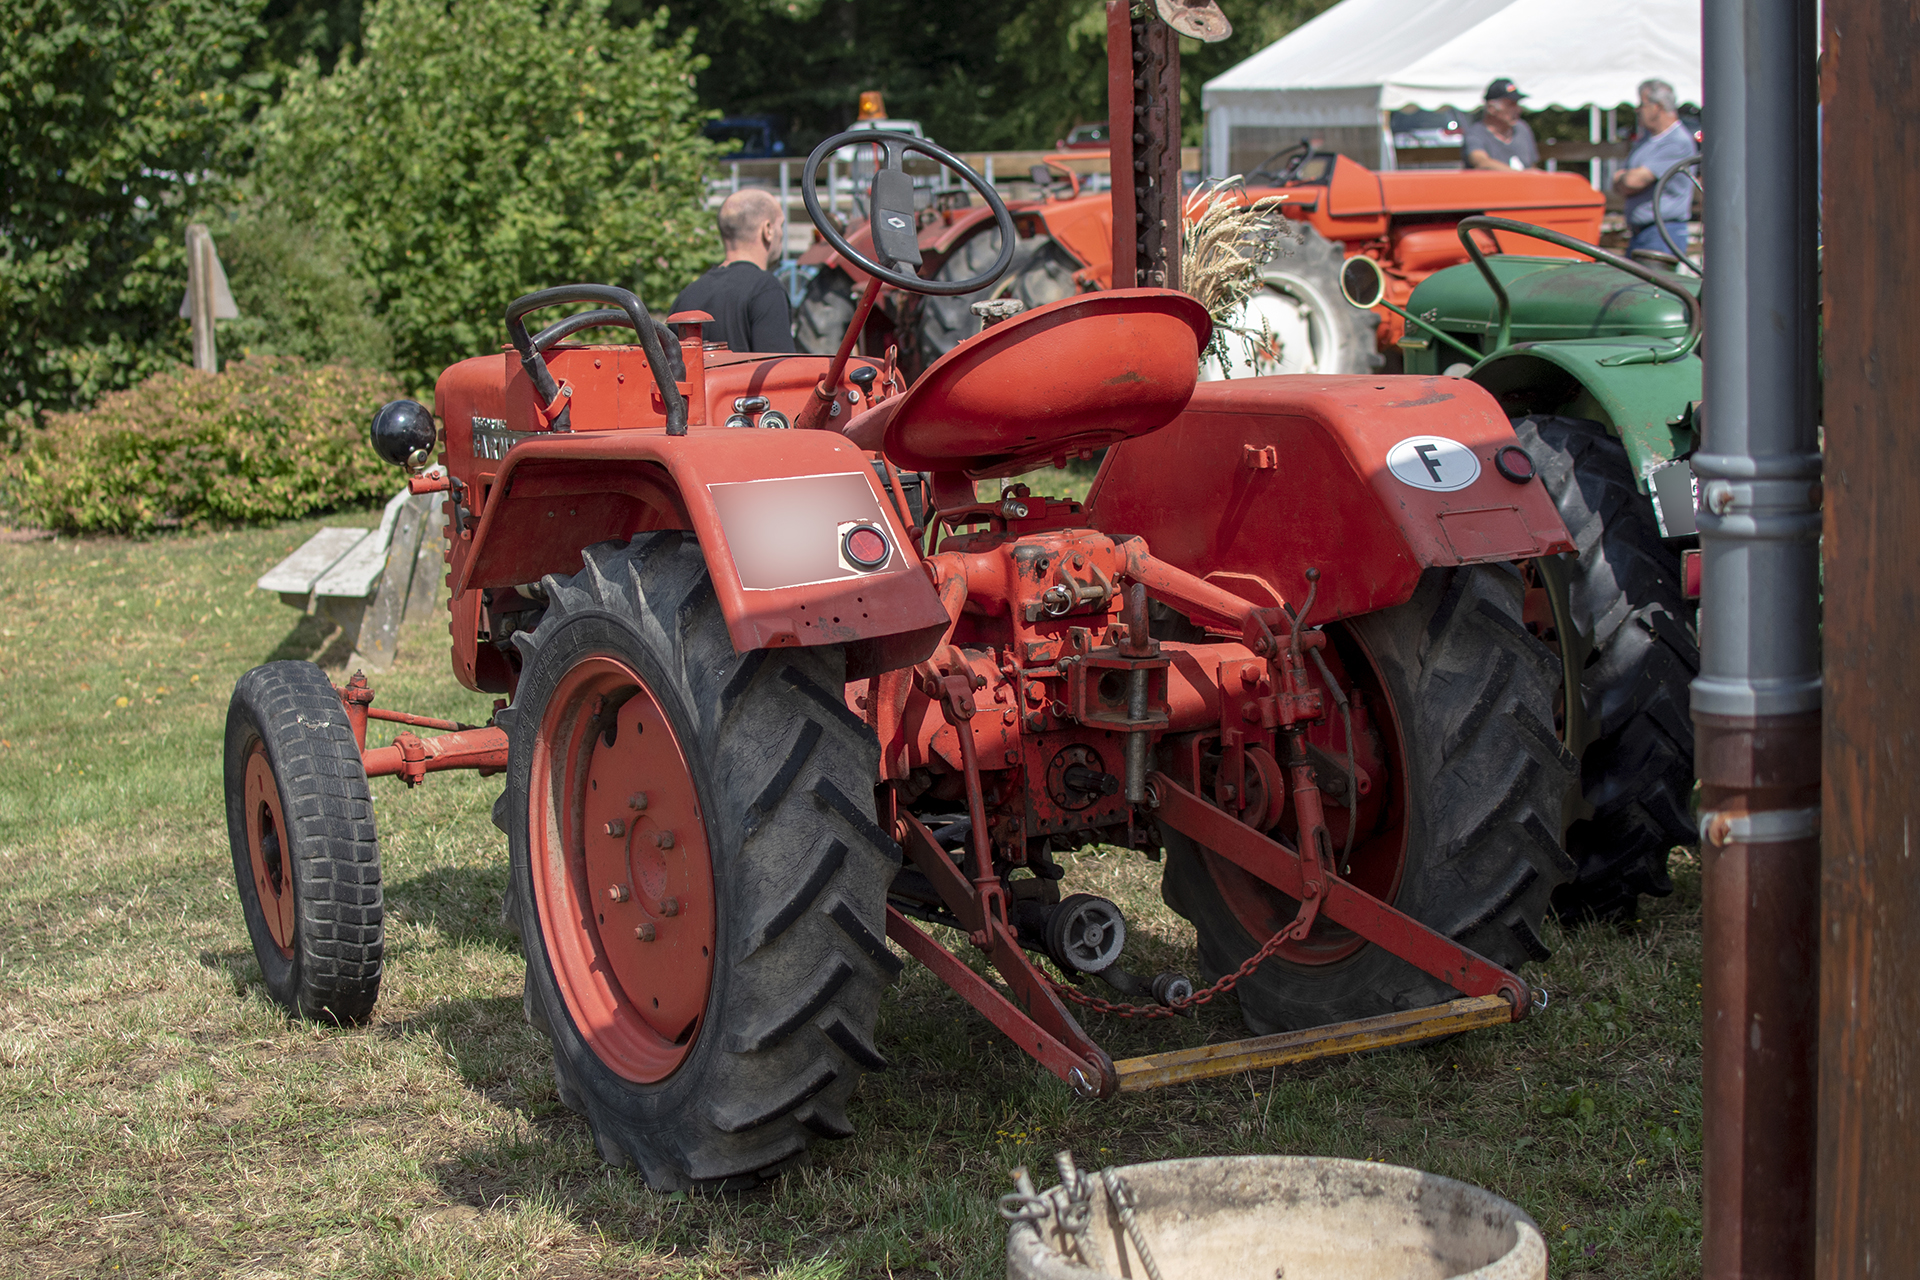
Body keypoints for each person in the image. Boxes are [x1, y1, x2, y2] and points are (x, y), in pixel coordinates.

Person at [670, 188, 794, 353]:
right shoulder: (766, 289)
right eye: (781, 225)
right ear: (768, 230)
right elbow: (782, 374)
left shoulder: (687, 295)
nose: (782, 233)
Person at [1614, 79, 1697, 257]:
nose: (1638, 110)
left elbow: (1633, 181)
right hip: (1640, 232)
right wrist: (1625, 179)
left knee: (1653, 284)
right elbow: (1621, 180)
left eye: (1642, 105)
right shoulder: (1645, 140)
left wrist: (1626, 179)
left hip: (1662, 233)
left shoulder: (1677, 142)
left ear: (1657, 107)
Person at [1461, 79, 1538, 171]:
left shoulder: (1522, 129)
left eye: (1517, 104)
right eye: (1510, 104)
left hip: (1523, 184)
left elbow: (1532, 166)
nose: (1518, 109)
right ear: (1491, 108)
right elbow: (1481, 161)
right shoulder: (1475, 133)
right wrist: (1518, 176)